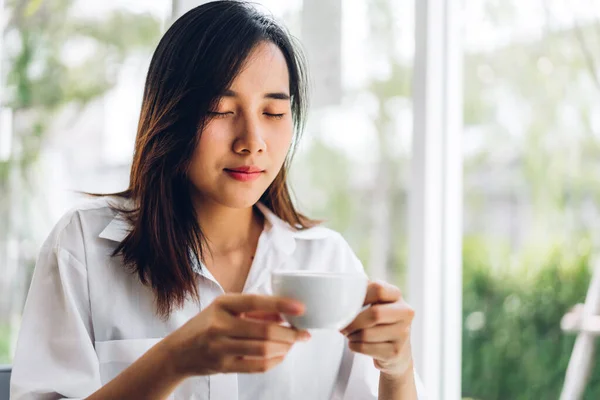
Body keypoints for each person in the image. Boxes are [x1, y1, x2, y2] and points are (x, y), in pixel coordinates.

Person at [10, 1, 424, 399]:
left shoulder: (326, 262)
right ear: (172, 115)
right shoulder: (84, 245)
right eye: (221, 110)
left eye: (274, 113)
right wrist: (175, 358)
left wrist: (398, 366)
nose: (252, 142)